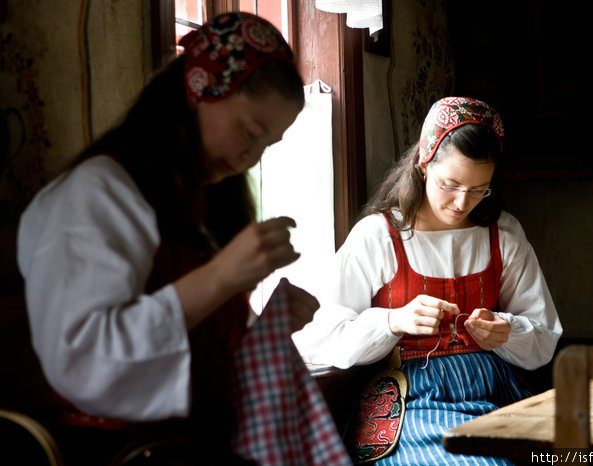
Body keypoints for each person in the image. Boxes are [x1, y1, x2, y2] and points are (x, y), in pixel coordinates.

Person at [17, 12, 349, 466]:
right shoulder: (99, 192)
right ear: (198, 89)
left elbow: (187, 342)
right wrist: (220, 277)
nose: (250, 157)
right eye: (250, 132)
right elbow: (83, 360)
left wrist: (259, 330)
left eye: (267, 145)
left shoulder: (201, 200)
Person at [293, 97, 563, 465]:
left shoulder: (504, 235)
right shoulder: (379, 236)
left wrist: (507, 332)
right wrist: (392, 321)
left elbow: (543, 335)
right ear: (423, 163)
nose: (461, 202)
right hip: (414, 401)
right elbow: (316, 339)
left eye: (479, 188)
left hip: (498, 392)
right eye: (450, 184)